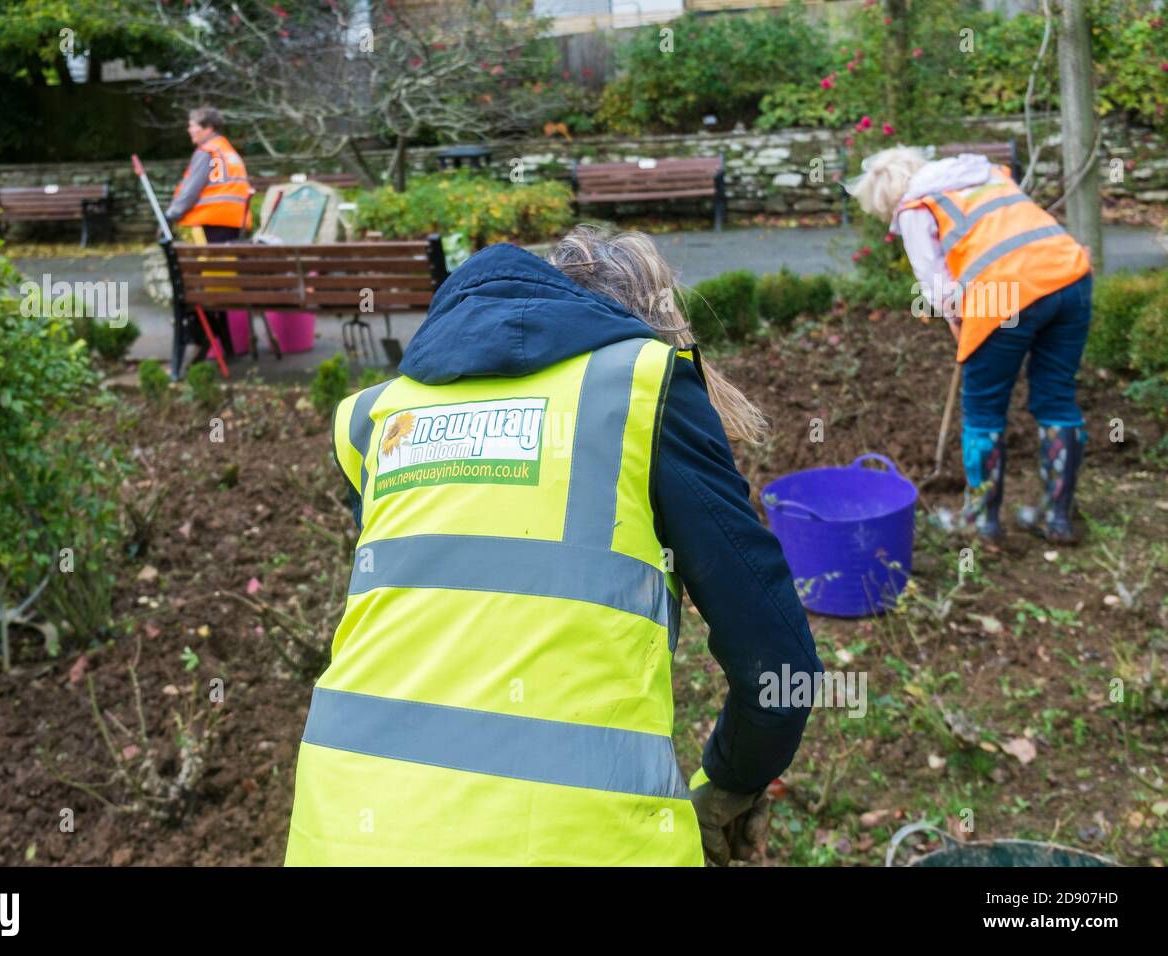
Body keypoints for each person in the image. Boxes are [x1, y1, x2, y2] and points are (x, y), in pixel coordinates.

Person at [285, 226, 822, 866]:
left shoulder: (374, 420)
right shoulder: (639, 387)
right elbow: (778, 664)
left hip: (342, 831)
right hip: (574, 845)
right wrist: (730, 785)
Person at [848, 147, 1093, 543]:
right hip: (1071, 275)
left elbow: (938, 287)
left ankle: (980, 521)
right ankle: (1057, 518)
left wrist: (957, 321)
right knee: (1057, 398)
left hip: (1005, 295)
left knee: (983, 408)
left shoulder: (915, 206)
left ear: (885, 198)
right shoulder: (986, 174)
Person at [165, 106, 253, 362]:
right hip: (232, 228)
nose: (189, 129)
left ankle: (209, 343)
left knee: (208, 292)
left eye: (193, 124)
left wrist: (169, 217)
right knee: (223, 289)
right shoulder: (229, 153)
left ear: (208, 128)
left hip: (210, 228)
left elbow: (189, 193)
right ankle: (226, 345)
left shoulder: (206, 153)